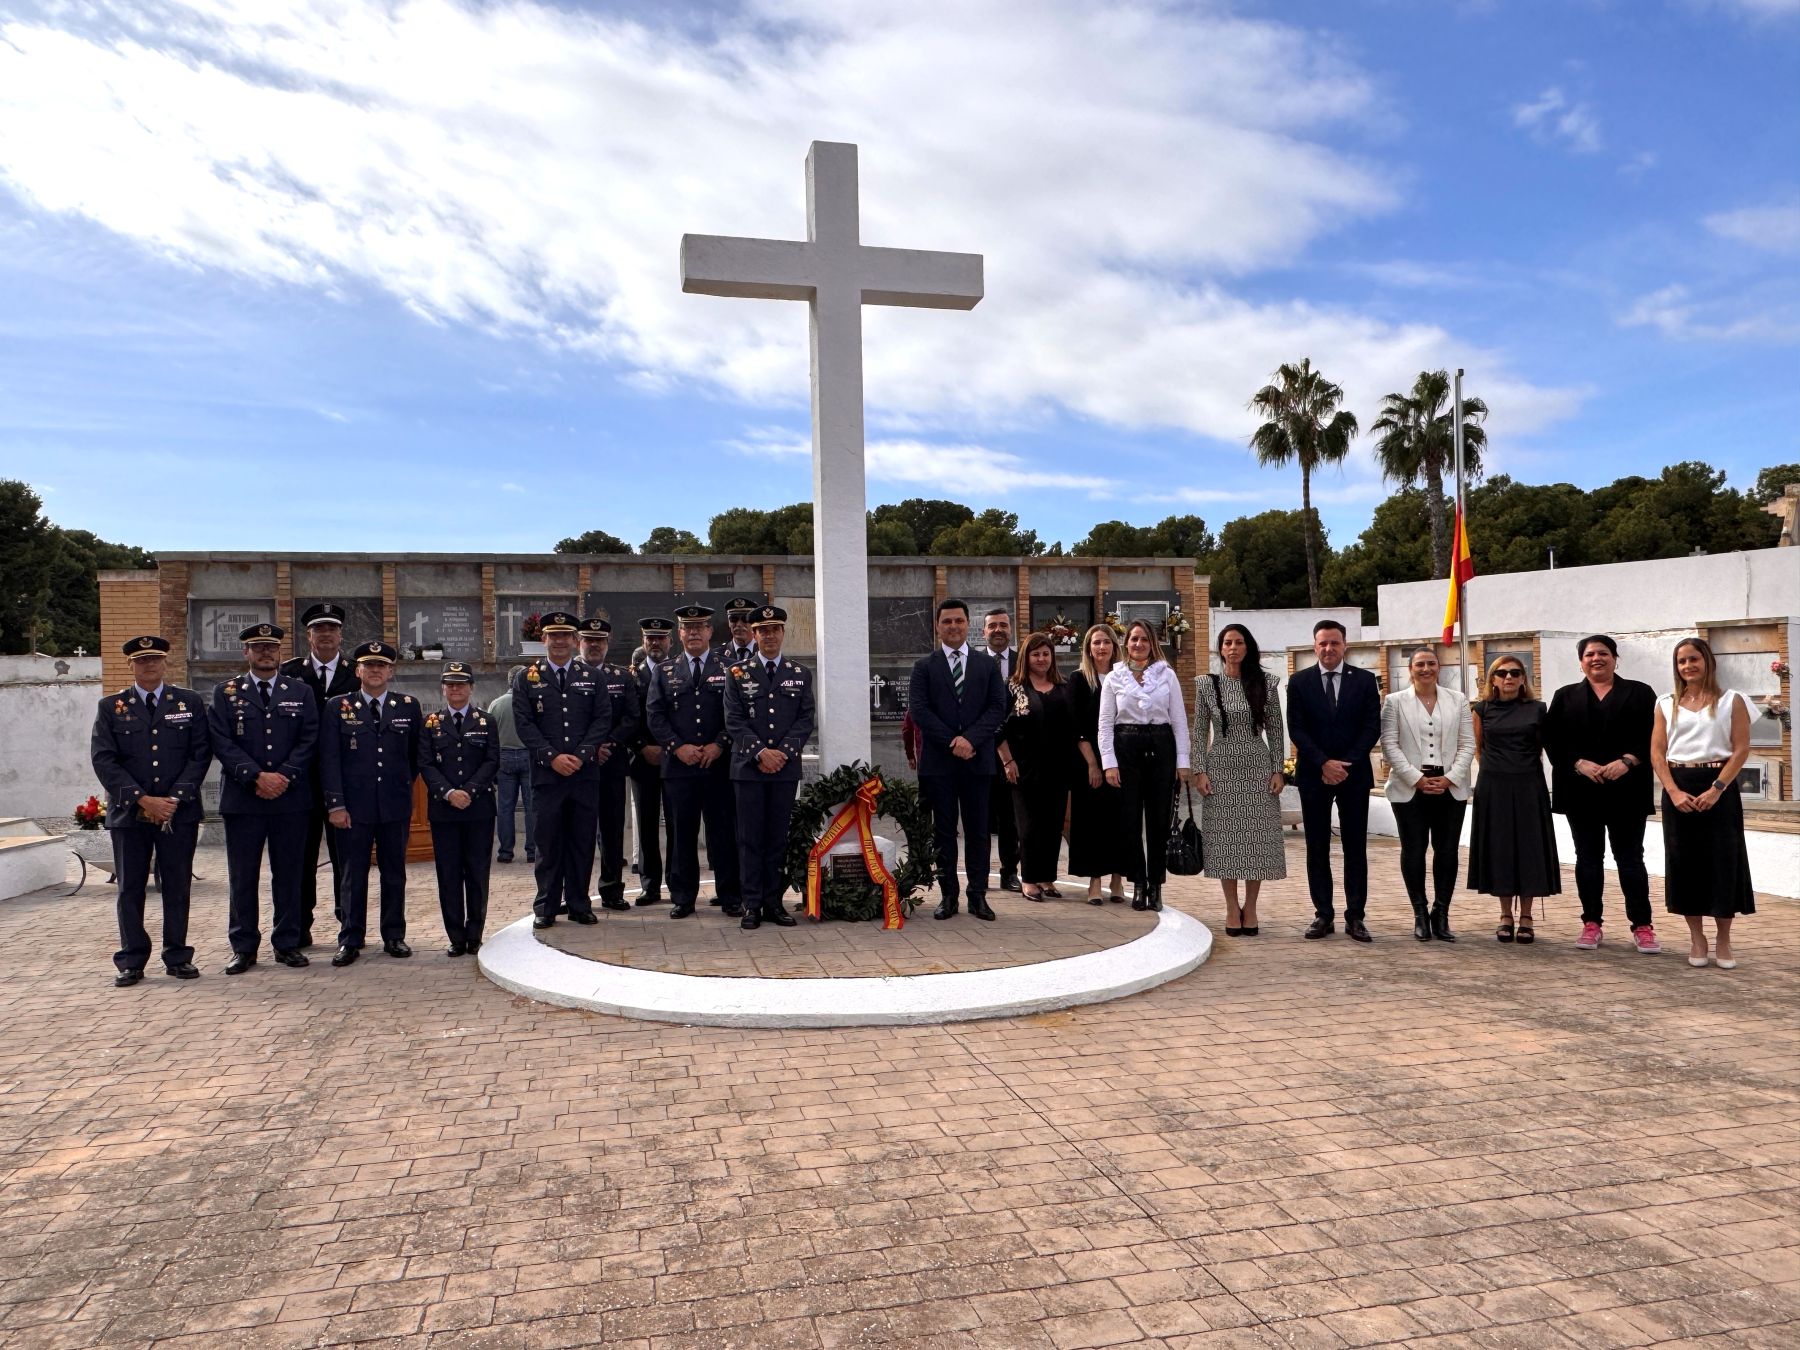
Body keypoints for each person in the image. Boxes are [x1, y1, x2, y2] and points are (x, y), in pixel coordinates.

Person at [90, 635, 212, 986]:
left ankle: (177, 955)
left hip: (178, 812)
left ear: (165, 663)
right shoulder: (111, 707)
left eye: (155, 659)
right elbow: (104, 760)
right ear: (131, 666)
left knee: (176, 885)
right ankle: (131, 959)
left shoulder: (187, 702)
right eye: (141, 661)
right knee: (130, 888)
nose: (149, 665)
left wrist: (173, 798)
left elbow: (200, 753)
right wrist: (143, 799)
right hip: (130, 814)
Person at [207, 622, 319, 974]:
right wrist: (255, 776)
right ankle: (243, 946)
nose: (265, 653)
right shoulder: (225, 692)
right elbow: (221, 741)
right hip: (244, 798)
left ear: (280, 652)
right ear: (246, 653)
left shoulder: (300, 692)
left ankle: (287, 942)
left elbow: (309, 738)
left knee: (289, 874)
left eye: (271, 647)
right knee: (243, 875)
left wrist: (283, 775)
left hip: (290, 797)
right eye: (258, 648)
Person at [1544, 635, 1660, 954]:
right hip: (1582, 792)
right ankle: (1591, 923)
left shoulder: (1639, 692)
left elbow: (1655, 734)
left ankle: (1642, 925)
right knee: (1588, 859)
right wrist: (1577, 762)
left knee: (1630, 859)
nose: (1597, 658)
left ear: (1615, 658)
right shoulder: (1565, 696)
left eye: (1603, 653)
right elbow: (1552, 740)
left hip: (1627, 791)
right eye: (1590, 654)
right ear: (1580, 662)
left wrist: (1629, 760)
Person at [1651, 637, 1755, 968]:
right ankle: (1697, 938)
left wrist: (1718, 788)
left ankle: (1724, 939)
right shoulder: (1665, 703)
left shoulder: (1733, 700)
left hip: (1719, 788)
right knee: (1685, 863)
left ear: (1707, 661)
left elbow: (1740, 749)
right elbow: (1657, 751)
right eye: (1681, 661)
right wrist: (1672, 791)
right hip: (1678, 787)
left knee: (1724, 862)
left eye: (1693, 659)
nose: (1688, 666)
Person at [321, 640, 422, 965]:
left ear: (391, 671)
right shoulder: (338, 706)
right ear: (358, 670)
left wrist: (401, 787)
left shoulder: (408, 706)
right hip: (353, 808)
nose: (375, 670)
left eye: (382, 665)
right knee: (353, 874)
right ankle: (350, 938)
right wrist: (335, 804)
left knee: (394, 873)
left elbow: (414, 757)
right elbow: (330, 759)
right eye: (369, 665)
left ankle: (394, 935)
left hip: (393, 805)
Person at [907, 598, 1008, 921]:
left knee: (978, 832)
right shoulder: (924, 667)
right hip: (940, 763)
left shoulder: (987, 666)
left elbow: (997, 707)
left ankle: (977, 895)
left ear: (968, 626)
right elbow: (920, 711)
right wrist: (953, 741)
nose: (953, 627)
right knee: (944, 832)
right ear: (937, 626)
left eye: (958, 621)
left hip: (978, 762)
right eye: (947, 621)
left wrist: (971, 739)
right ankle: (948, 895)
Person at [513, 612, 611, 928]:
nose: (559, 641)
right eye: (552, 636)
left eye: (565, 636)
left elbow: (601, 720)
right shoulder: (526, 678)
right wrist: (552, 757)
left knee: (582, 841)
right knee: (548, 842)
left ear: (574, 640)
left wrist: (581, 755)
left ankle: (580, 903)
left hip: (583, 775)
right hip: (547, 775)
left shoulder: (592, 677)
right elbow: (524, 724)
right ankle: (546, 905)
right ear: (543, 640)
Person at [1285, 620, 1382, 941]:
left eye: (1334, 643)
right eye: (1323, 643)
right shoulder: (1299, 682)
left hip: (1353, 775)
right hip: (1314, 774)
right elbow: (1297, 728)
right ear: (1315, 646)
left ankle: (1355, 916)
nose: (1328, 649)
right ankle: (1323, 915)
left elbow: (1372, 727)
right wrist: (1324, 762)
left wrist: (1345, 763)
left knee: (1355, 847)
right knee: (1317, 847)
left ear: (1345, 646)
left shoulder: (1366, 680)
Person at [647, 604, 742, 919]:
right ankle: (683, 896)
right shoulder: (664, 671)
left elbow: (735, 714)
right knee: (681, 834)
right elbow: (655, 715)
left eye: (700, 627)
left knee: (723, 834)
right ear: (680, 633)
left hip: (718, 766)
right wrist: (677, 747)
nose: (694, 633)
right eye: (688, 628)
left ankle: (730, 895)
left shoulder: (730, 668)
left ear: (710, 632)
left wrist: (719, 744)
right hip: (680, 767)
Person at [723, 606, 815, 929]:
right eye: (763, 630)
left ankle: (774, 902)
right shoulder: (737, 673)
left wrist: (782, 753)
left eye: (775, 629)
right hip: (748, 769)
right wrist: (761, 752)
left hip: (784, 770)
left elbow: (805, 720)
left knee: (777, 837)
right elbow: (733, 721)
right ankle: (751, 905)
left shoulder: (800, 674)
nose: (770, 636)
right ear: (754, 635)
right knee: (750, 838)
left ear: (783, 633)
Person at [1192, 623, 1287, 936]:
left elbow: (1275, 730)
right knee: (1225, 841)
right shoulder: (1207, 684)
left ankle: (1252, 906)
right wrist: (1199, 770)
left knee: (1256, 839)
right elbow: (1198, 733)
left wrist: (1278, 770)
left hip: (1258, 767)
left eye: (1239, 642)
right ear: (1220, 649)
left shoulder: (1267, 683)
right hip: (1219, 768)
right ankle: (1232, 907)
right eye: (1227, 642)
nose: (1233, 648)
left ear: (1248, 648)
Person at [1380, 647, 1474, 942]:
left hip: (1449, 785)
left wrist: (1450, 778)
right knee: (1414, 850)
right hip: (1410, 787)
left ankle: (1441, 913)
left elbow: (1468, 744)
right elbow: (1390, 745)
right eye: (1419, 664)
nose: (1425, 669)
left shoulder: (1457, 700)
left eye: (1431, 663)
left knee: (1447, 852)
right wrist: (1416, 779)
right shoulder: (1394, 702)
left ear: (1439, 667)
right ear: (1410, 669)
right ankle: (1420, 913)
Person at [1098, 618, 1191, 912]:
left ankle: (1156, 885)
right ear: (1126, 644)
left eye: (1144, 639)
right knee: (1129, 820)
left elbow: (1179, 719)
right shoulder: (1115, 677)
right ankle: (1137, 882)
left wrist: (1183, 761)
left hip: (1161, 746)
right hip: (1126, 746)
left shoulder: (1167, 675)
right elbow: (1104, 724)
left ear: (1153, 644)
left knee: (1158, 820)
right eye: (1134, 639)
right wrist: (1109, 763)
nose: (1138, 644)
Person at [281, 602, 359, 944]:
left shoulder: (357, 671)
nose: (325, 635)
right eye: (318, 629)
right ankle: (299, 927)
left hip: (344, 782)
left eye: (331, 629)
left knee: (347, 859)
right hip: (300, 783)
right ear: (308, 635)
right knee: (301, 858)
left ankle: (349, 926)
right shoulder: (288, 673)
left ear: (340, 634)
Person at [1469, 656, 1560, 944]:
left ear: (1523, 679)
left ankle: (1527, 917)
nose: (1508, 677)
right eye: (1502, 673)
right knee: (1501, 849)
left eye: (1515, 673)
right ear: (1492, 679)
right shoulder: (1481, 710)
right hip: (1494, 786)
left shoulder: (1538, 709)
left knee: (1529, 849)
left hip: (1528, 785)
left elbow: (1543, 747)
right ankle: (1506, 915)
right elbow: (1478, 748)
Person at [419, 662, 498, 957]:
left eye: (461, 684)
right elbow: (425, 763)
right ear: (443, 688)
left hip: (478, 808)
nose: (456, 689)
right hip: (445, 810)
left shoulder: (486, 721)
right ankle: (455, 936)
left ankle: (475, 933)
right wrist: (450, 793)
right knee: (449, 874)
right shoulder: (431, 723)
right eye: (450, 684)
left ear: (471, 688)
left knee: (477, 872)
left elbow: (492, 760)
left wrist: (469, 791)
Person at [997, 632, 1073, 902]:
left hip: (1058, 768)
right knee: (1028, 826)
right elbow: (999, 729)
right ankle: (1028, 879)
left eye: (1045, 654)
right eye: (1035, 654)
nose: (1041, 659)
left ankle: (1046, 878)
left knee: (1052, 826)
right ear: (1026, 657)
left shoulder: (1062, 686)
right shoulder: (1013, 687)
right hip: (1023, 768)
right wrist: (1007, 760)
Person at [579, 615, 642, 912]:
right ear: (580, 642)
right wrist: (589, 748)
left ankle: (612, 889)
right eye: (589, 640)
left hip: (612, 762)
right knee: (576, 831)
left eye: (599, 641)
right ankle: (574, 892)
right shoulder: (569, 676)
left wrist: (609, 744)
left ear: (608, 643)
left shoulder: (622, 677)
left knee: (613, 829)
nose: (594, 646)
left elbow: (632, 716)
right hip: (576, 765)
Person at [1066, 624, 1127, 905]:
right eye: (1095, 643)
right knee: (1091, 822)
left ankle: (1117, 878)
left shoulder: (1125, 678)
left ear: (1114, 647)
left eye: (1106, 642)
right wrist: (1093, 764)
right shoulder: (1079, 680)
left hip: (1122, 759)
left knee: (1119, 820)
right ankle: (1095, 881)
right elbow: (1076, 726)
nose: (1101, 648)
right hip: (1089, 760)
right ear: (1088, 649)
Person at [628, 618, 674, 904]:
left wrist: (669, 748)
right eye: (650, 638)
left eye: (660, 638)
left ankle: (677, 882)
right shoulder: (632, 676)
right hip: (642, 759)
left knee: (676, 823)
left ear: (670, 641)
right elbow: (627, 715)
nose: (655, 643)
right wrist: (642, 746)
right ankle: (650, 885)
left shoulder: (677, 671)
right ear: (643, 642)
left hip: (674, 759)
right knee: (646, 824)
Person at [982, 607, 1022, 892]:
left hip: (1014, 754)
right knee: (980, 817)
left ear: (1011, 629)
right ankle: (981, 872)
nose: (998, 630)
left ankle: (1010, 871)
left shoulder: (1023, 661)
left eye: (1003, 626)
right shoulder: (973, 662)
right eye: (992, 626)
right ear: (984, 631)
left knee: (1011, 818)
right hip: (982, 751)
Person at [486, 666, 536, 865]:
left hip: (504, 756)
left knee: (505, 806)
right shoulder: (530, 703)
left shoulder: (496, 704)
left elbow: (489, 734)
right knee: (531, 806)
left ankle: (505, 851)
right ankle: (532, 850)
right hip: (527, 755)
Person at [718, 597, 759, 666]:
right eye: (734, 619)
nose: (739, 624)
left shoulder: (765, 654)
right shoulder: (718, 655)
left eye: (745, 619)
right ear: (728, 622)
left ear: (754, 622)